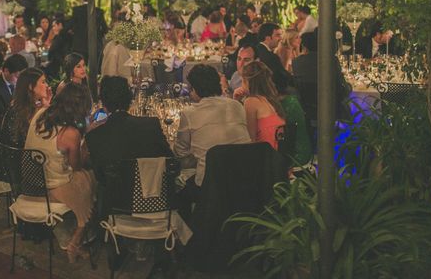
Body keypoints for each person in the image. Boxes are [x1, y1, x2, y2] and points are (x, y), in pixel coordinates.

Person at [24, 82, 95, 262]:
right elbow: (76, 166)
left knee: (86, 179)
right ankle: (76, 239)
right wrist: (85, 146)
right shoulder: (70, 133)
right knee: (90, 179)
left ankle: (72, 236)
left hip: (32, 183)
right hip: (53, 187)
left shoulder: (39, 114)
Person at [174, 64, 251, 192]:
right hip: (244, 178)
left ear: (194, 89)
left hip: (209, 185)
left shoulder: (189, 113)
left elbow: (180, 152)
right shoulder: (236, 105)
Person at [86, 76, 172, 183]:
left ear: (103, 102)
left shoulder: (94, 135)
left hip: (114, 197)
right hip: (153, 195)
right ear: (129, 99)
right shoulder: (151, 125)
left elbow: (100, 176)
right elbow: (170, 160)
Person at [238, 61, 285, 150]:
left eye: (242, 81)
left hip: (264, 157)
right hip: (279, 155)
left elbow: (250, 139)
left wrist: (236, 101)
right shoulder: (271, 100)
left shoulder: (251, 102)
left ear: (247, 81)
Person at [69, 0, 108, 65]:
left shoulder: (76, 11)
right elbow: (105, 29)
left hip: (80, 46)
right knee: (96, 69)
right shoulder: (99, 11)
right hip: (95, 45)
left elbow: (72, 26)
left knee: (80, 67)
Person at [256, 23, 293, 94]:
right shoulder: (271, 57)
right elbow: (282, 78)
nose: (281, 38)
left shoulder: (257, 49)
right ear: (268, 38)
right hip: (272, 92)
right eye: (277, 35)